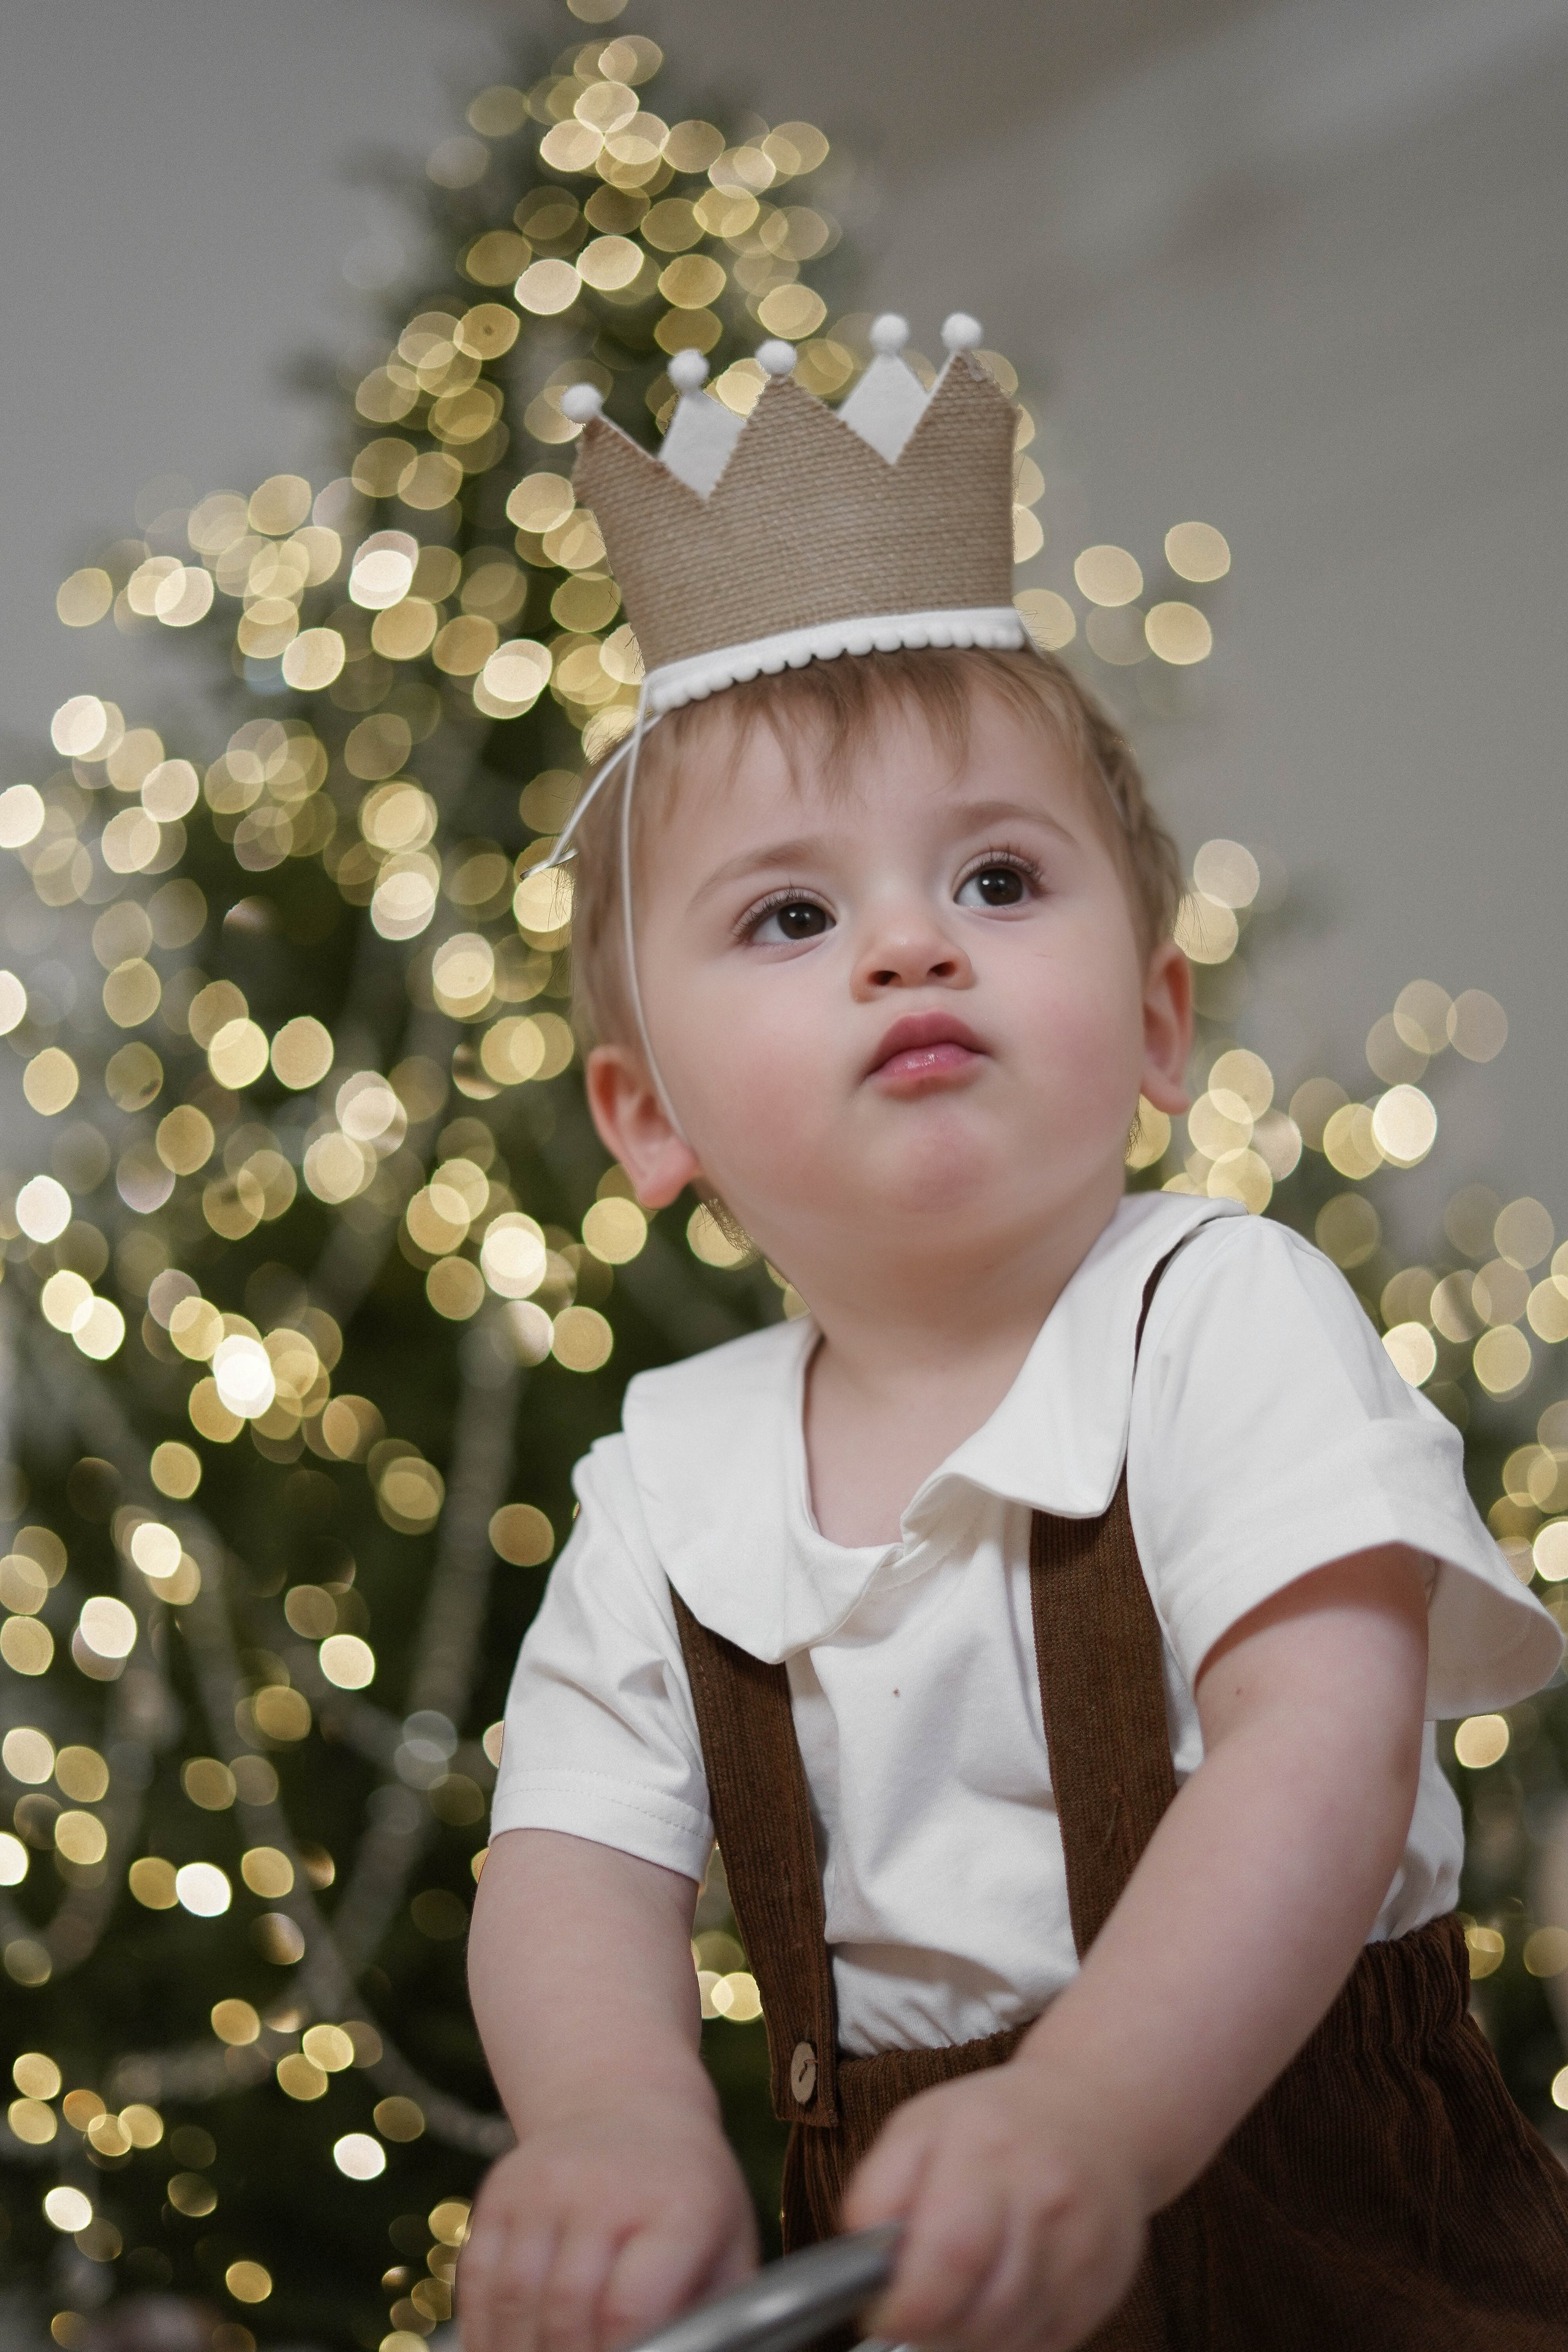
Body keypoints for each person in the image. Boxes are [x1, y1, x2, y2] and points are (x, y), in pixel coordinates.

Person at [461, 317, 1568, 2352]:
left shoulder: (1216, 1318)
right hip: (914, 2260)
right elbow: (568, 1862)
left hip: (1328, 2230)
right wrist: (618, 2125)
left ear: (1153, 1023)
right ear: (649, 1120)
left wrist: (1092, 2111)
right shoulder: (671, 1483)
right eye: (791, 916)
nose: (909, 943)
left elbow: (1320, 1746)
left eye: (995, 876)